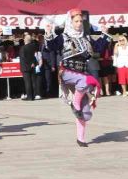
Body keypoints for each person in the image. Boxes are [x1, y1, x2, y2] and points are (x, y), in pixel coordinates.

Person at [45, 11, 107, 147]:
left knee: (85, 112)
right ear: (70, 22)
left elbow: (99, 48)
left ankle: (81, 139)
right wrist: (49, 33)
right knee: (86, 81)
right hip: (67, 72)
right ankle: (75, 102)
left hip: (81, 74)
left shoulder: (86, 38)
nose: (79, 24)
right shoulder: (64, 37)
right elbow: (51, 47)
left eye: (80, 21)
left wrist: (104, 34)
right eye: (76, 21)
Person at [19, 33, 42, 101]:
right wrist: (33, 63)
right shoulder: (33, 46)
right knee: (33, 81)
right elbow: (34, 56)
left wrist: (29, 64)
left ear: (25, 40)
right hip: (32, 66)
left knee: (27, 82)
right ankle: (33, 95)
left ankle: (29, 97)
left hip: (25, 67)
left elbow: (23, 58)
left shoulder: (23, 48)